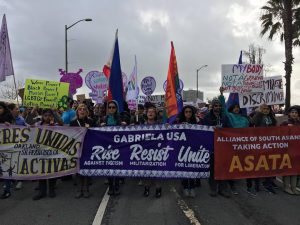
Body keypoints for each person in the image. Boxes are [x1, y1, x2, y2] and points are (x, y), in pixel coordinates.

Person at [219, 87, 251, 195]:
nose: (237, 109)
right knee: (232, 162)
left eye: (238, 107)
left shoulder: (245, 119)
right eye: (235, 107)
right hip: (231, 145)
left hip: (242, 145)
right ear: (232, 108)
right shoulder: (230, 116)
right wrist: (222, 94)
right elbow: (223, 109)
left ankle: (238, 181)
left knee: (239, 164)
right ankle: (231, 184)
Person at [202, 97, 232, 197]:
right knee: (213, 168)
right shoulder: (207, 117)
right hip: (212, 146)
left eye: (219, 106)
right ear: (212, 107)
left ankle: (223, 188)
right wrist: (211, 128)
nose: (217, 107)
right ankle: (213, 188)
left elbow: (230, 129)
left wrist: (223, 130)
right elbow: (203, 129)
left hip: (223, 147)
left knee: (223, 167)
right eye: (215, 105)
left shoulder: (225, 117)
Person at [32, 109, 59, 200]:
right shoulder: (38, 124)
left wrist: (52, 123)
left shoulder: (55, 125)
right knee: (41, 171)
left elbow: (60, 130)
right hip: (41, 151)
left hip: (51, 151)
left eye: (49, 115)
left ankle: (51, 190)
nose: (47, 117)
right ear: (42, 116)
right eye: (45, 115)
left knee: (51, 170)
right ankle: (42, 192)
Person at [101, 100, 126, 195]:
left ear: (116, 108)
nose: (111, 109)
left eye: (113, 107)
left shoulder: (120, 117)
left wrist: (124, 125)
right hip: (107, 146)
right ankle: (111, 186)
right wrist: (100, 125)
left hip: (118, 145)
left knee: (117, 165)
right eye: (110, 107)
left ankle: (117, 185)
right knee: (109, 165)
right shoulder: (105, 118)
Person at [70, 104, 95, 198]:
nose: (82, 110)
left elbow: (97, 134)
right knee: (78, 170)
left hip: (88, 148)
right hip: (77, 148)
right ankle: (79, 189)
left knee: (87, 169)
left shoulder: (91, 121)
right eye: (80, 109)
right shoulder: (73, 122)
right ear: (77, 111)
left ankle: (86, 189)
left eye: (84, 109)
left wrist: (90, 130)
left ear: (87, 112)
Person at [252, 104, 278, 194]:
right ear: (261, 109)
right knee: (258, 164)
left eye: (267, 109)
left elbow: (276, 128)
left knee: (269, 164)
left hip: (270, 144)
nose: (266, 110)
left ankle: (268, 184)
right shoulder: (258, 116)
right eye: (264, 109)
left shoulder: (271, 117)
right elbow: (253, 123)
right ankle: (256, 184)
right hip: (260, 144)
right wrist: (259, 113)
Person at [177, 105, 198, 197]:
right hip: (182, 149)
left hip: (193, 149)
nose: (188, 113)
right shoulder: (178, 122)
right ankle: (185, 187)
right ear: (183, 113)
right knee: (184, 168)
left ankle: (192, 187)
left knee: (192, 168)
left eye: (190, 112)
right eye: (186, 112)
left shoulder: (197, 122)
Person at [143, 104, 162, 198]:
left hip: (157, 151)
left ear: (155, 114)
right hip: (146, 152)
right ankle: (146, 188)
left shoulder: (160, 125)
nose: (150, 113)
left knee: (157, 171)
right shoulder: (142, 125)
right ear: (146, 114)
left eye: (152, 112)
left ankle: (158, 189)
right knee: (147, 171)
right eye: (149, 112)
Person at [280, 106, 300, 195]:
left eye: (296, 113)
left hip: (297, 149)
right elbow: (278, 134)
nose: (294, 114)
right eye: (292, 112)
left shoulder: (299, 123)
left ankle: (293, 187)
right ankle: (286, 187)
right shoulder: (285, 123)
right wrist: (287, 129)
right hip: (287, 148)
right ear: (289, 114)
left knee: (296, 169)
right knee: (288, 168)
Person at [0, 102, 14, 199]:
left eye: (0, 108)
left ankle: (7, 190)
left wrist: (8, 125)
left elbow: (16, 130)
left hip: (6, 148)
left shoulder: (8, 118)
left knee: (5, 169)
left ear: (4, 108)